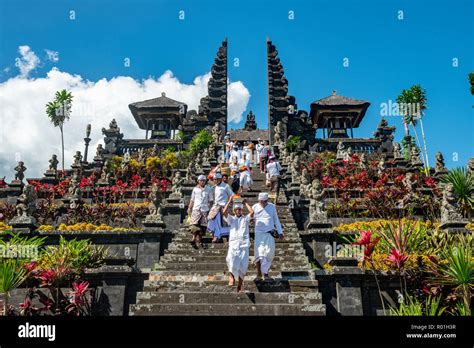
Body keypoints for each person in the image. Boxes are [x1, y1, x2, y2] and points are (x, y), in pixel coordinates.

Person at [222, 196, 254, 292]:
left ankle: (240, 284)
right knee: (231, 259)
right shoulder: (231, 219)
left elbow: (252, 212)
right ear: (234, 211)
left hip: (244, 245)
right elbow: (224, 212)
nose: (239, 211)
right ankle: (231, 276)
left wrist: (245, 203)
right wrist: (228, 201)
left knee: (243, 265)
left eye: (240, 209)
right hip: (233, 244)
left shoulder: (246, 219)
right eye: (237, 210)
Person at [252, 192, 284, 280]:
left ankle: (265, 273)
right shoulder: (255, 207)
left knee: (268, 254)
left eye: (264, 201)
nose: (262, 203)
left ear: (267, 200)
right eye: (261, 201)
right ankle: (258, 273)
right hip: (259, 234)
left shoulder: (272, 207)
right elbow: (251, 218)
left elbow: (276, 220)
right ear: (259, 200)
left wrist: (280, 232)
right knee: (258, 254)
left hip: (270, 233)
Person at [207, 172, 233, 242]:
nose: (215, 181)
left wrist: (227, 205)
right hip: (215, 206)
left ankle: (217, 237)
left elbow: (231, 195)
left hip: (223, 206)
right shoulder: (213, 188)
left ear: (220, 179)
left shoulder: (226, 186)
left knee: (220, 221)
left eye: (216, 179)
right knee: (211, 220)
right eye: (214, 179)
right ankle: (215, 235)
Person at [187, 175, 212, 248]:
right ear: (198, 181)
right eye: (201, 180)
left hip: (205, 209)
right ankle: (193, 238)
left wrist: (211, 209)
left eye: (203, 180)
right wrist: (189, 207)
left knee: (203, 226)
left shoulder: (208, 189)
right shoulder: (195, 189)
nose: (202, 182)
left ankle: (199, 239)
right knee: (194, 224)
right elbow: (192, 199)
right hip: (196, 209)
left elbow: (210, 200)